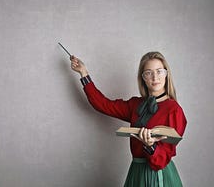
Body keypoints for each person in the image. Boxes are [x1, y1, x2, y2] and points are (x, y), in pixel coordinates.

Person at [70, 51, 187, 187]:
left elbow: (161, 161)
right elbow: (102, 104)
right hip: (136, 172)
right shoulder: (135, 105)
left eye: (159, 71)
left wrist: (151, 146)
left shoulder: (174, 110)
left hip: (159, 175)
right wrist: (84, 73)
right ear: (143, 78)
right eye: (148, 73)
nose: (155, 77)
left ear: (166, 74)